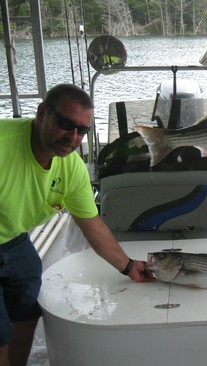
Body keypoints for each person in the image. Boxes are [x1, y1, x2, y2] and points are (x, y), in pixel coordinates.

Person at [0, 83, 153, 366]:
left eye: (82, 130)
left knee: (27, 303)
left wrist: (130, 267)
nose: (73, 137)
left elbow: (92, 226)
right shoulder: (3, 144)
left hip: (12, 237)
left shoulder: (71, 167)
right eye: (65, 124)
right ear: (42, 113)